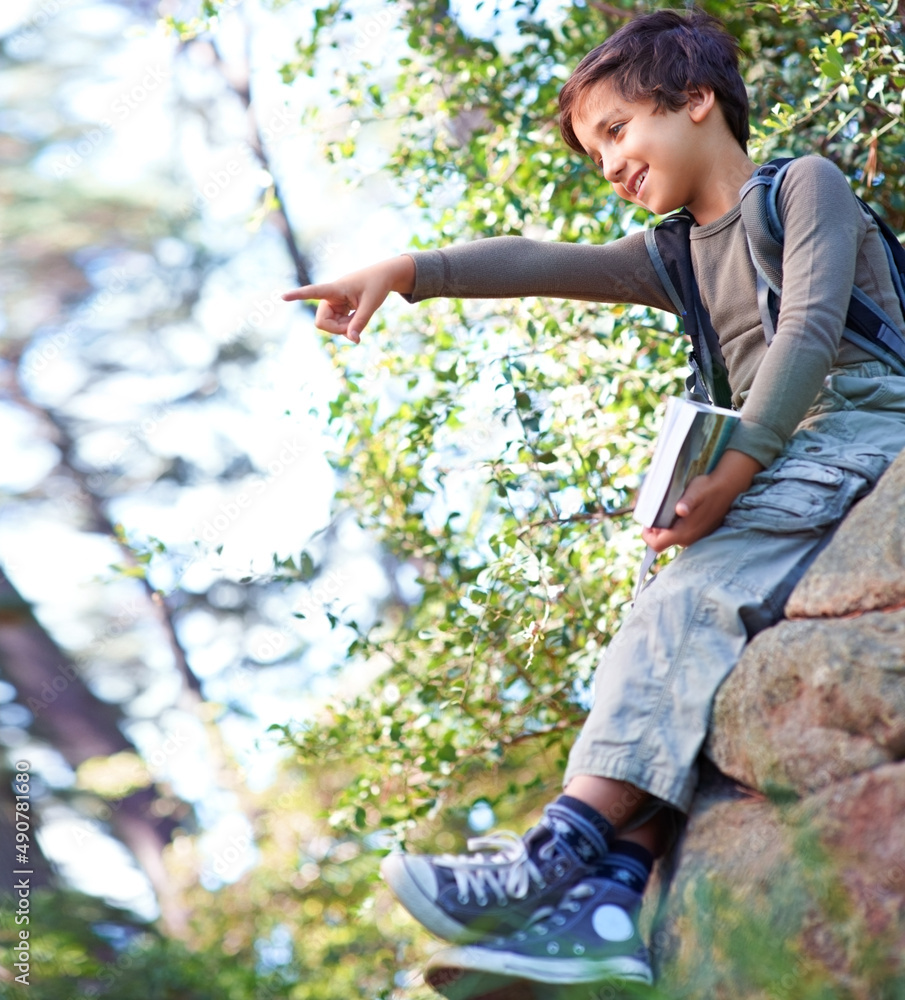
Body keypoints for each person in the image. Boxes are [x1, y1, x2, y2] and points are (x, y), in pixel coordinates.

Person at [283, 8, 905, 988]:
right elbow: (543, 261)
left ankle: (554, 856)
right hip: (785, 462)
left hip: (858, 434)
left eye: (615, 130)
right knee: (674, 622)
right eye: (593, 150)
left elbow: (810, 334)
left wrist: (732, 470)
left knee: (686, 594)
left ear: (696, 99)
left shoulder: (802, 188)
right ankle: (611, 903)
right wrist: (406, 273)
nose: (607, 162)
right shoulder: (672, 255)